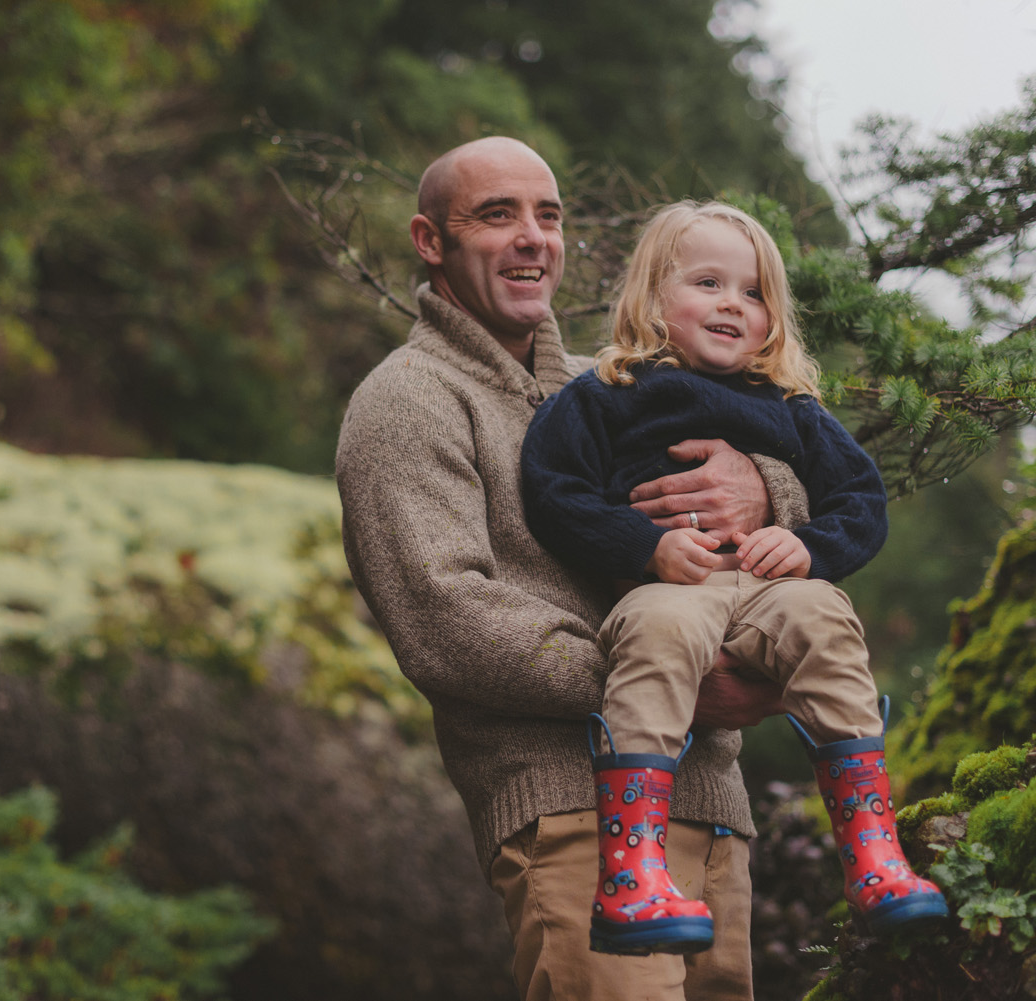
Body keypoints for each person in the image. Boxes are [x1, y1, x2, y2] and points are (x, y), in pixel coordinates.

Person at [336, 138, 801, 1001]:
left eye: (547, 216)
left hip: (711, 799)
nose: (531, 237)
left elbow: (803, 465)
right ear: (430, 240)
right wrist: (668, 686)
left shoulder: (615, 385)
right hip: (569, 810)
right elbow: (447, 616)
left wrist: (759, 485)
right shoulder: (405, 402)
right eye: (496, 214)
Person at [519, 201, 948, 955]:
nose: (732, 303)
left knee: (825, 617)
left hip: (767, 586)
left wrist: (808, 549)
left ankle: (873, 853)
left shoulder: (790, 407)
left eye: (753, 293)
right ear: (653, 297)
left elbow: (863, 499)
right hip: (670, 586)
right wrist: (644, 546)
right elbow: (554, 490)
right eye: (708, 282)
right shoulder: (608, 391)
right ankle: (632, 870)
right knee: (658, 635)